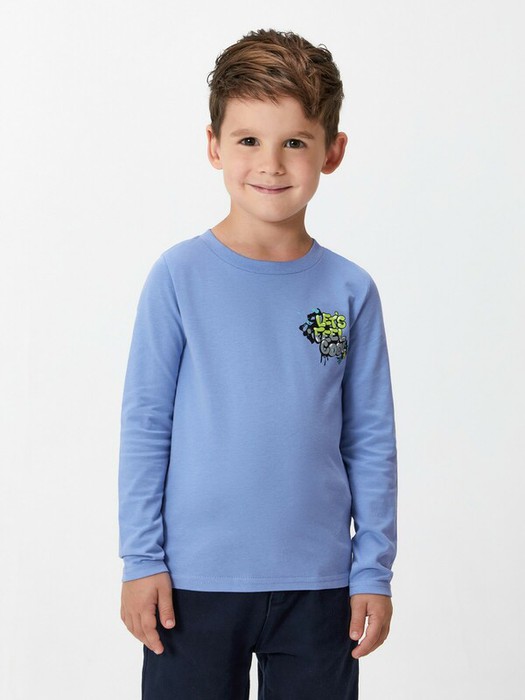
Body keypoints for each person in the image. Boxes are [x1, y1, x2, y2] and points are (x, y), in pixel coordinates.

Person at [118, 28, 398, 700]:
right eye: (248, 140)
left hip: (320, 585)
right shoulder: (178, 277)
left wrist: (372, 570)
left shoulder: (349, 291)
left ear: (332, 151)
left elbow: (369, 438)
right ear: (214, 145)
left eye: (294, 142)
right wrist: (141, 560)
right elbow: (147, 423)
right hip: (192, 584)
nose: (270, 164)